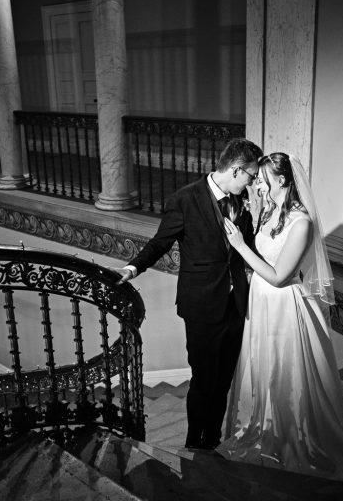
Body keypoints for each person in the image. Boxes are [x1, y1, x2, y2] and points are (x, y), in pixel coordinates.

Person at [218, 152, 343, 491]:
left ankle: (293, 438)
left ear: (282, 180)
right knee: (262, 369)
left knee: (286, 374)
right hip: (261, 304)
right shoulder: (272, 211)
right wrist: (255, 212)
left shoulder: (301, 222)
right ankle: (264, 428)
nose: (257, 182)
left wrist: (240, 246)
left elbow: (278, 277)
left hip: (283, 307)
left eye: (263, 177)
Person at [113, 137, 263, 450]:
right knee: (204, 378)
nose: (253, 182)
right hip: (202, 305)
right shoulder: (185, 199)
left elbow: (247, 248)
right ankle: (194, 441)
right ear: (236, 170)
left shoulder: (245, 200)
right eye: (250, 175)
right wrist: (132, 268)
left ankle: (213, 437)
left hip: (236, 305)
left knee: (223, 379)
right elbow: (159, 243)